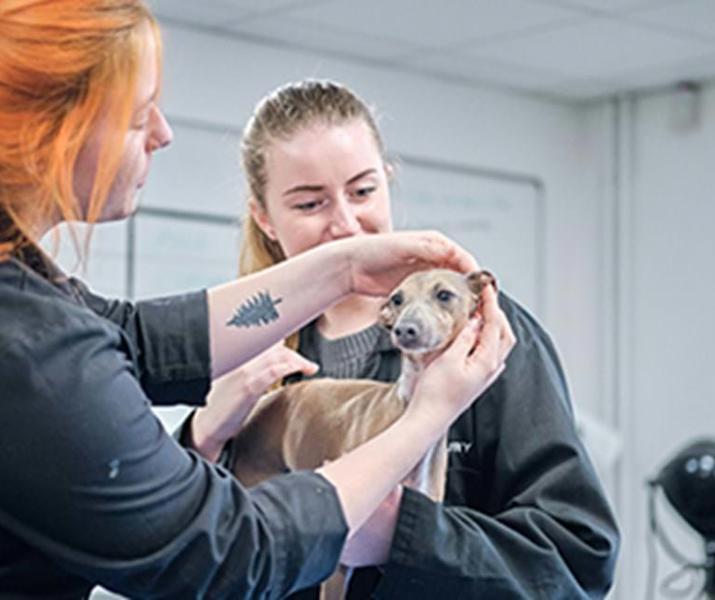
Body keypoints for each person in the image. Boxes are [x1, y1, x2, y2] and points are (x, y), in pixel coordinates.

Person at [0, 3, 516, 598]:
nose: (164, 135)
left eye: (363, 190)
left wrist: (343, 267)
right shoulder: (25, 343)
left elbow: (139, 339)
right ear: (44, 131)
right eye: (137, 117)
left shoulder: (29, 296)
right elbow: (223, 551)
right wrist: (428, 416)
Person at [190, 80, 621, 598]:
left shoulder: (488, 341)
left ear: (387, 181)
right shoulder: (246, 352)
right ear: (265, 217)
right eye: (309, 204)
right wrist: (202, 441)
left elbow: (577, 560)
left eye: (363, 190)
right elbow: (184, 553)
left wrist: (406, 535)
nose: (346, 224)